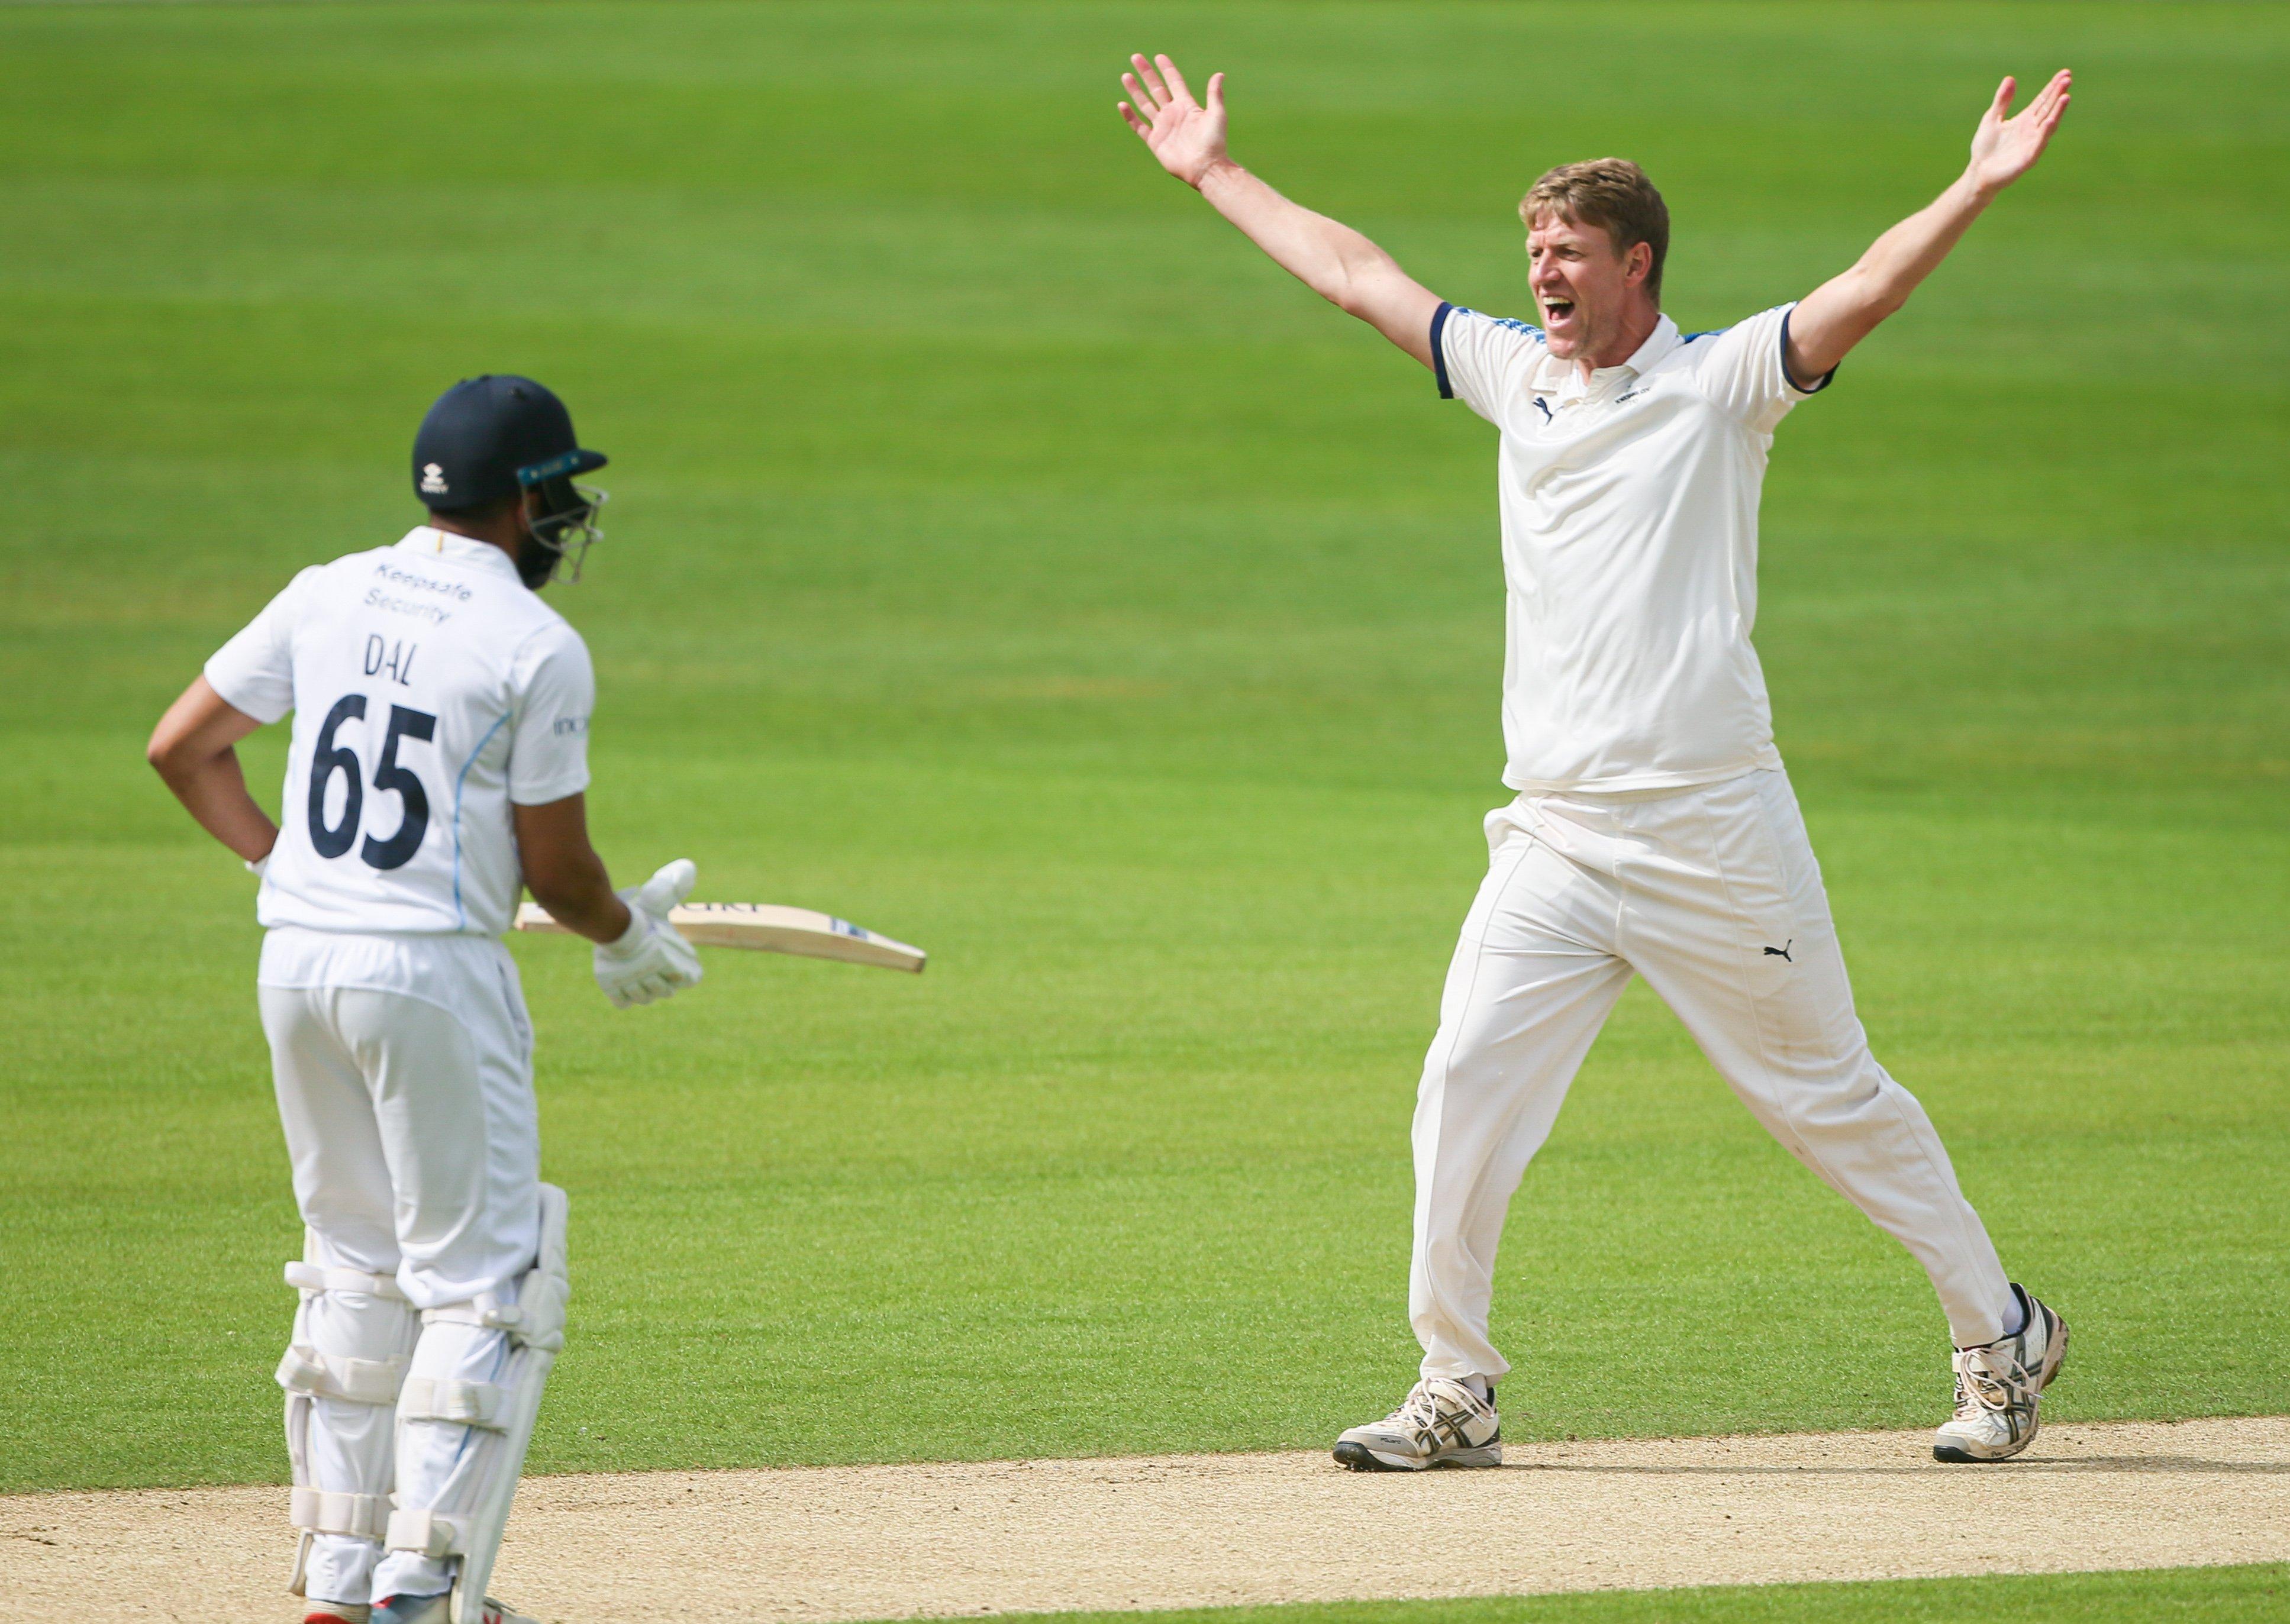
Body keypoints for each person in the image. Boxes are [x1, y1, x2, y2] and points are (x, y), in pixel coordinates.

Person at [1118, 54, 2074, 1468]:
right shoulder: (1517, 377)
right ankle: (1457, 1384)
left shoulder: (1725, 383)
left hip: (1711, 829)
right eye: (1532, 250)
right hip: (1557, 837)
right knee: (1462, 1086)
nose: (1541, 271)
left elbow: (1865, 289)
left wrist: (1973, 187)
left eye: (1566, 252)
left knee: (1828, 1103)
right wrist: (1211, 170)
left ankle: (2001, 1337)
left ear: (1638, 264)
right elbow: (1355, 274)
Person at [147, 375, 706, 1624]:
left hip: (295, 957)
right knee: (480, 1279)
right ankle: (419, 1580)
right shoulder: (533, 644)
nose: (565, 515)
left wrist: (279, 860)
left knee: (353, 1264)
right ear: (521, 501)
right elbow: (557, 869)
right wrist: (626, 937)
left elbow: (179, 746)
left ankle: (339, 1581)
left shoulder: (326, 588)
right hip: (432, 978)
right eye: (557, 491)